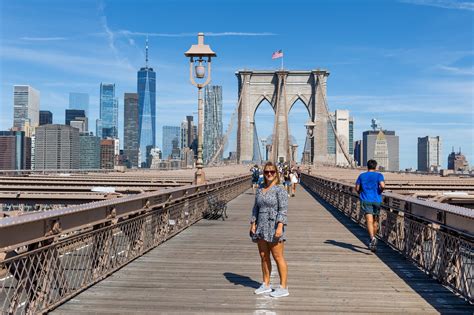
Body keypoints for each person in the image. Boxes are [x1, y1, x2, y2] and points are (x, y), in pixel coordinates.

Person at [250, 162, 289, 298]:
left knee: (278, 257)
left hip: (273, 225)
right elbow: (256, 207)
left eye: (272, 172)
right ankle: (266, 284)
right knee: (263, 256)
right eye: (267, 172)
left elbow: (283, 210)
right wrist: (253, 223)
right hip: (261, 225)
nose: (269, 174)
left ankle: (283, 287)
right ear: (264, 173)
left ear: (276, 173)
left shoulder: (280, 189)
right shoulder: (260, 189)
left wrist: (280, 226)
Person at [355, 159, 385, 252]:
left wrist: (360, 193)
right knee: (375, 220)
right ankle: (373, 237)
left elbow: (357, 188)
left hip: (366, 199)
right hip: (377, 200)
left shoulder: (362, 176)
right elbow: (382, 186)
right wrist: (380, 191)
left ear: (367, 166)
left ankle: (372, 238)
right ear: (375, 167)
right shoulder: (379, 175)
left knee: (369, 220)